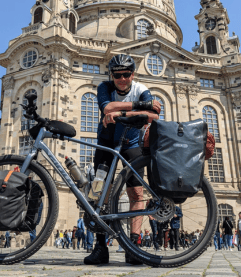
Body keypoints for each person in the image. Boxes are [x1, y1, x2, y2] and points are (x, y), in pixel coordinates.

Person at [83, 54, 160, 265]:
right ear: (112, 75)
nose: (122, 79)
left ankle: (133, 246)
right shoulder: (104, 87)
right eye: (118, 75)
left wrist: (121, 112)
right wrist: (139, 106)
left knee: (136, 193)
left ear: (133, 74)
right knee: (98, 192)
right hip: (106, 144)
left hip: (131, 144)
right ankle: (100, 246)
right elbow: (107, 108)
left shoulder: (141, 87)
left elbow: (154, 116)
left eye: (127, 74)